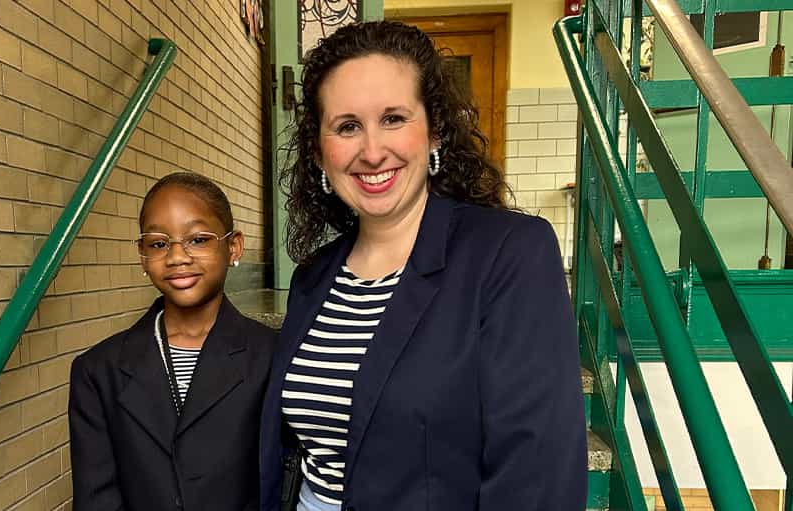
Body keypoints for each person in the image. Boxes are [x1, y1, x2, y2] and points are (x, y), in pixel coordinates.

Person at [259, 21, 586, 511]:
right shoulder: (314, 276)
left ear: (434, 132)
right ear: (320, 153)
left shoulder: (509, 254)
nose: (372, 151)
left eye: (393, 118)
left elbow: (537, 475)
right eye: (347, 126)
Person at [69, 172, 276, 510]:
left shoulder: (271, 356)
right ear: (142, 254)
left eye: (198, 239)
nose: (177, 256)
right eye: (159, 243)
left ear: (233, 246)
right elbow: (96, 500)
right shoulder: (97, 372)